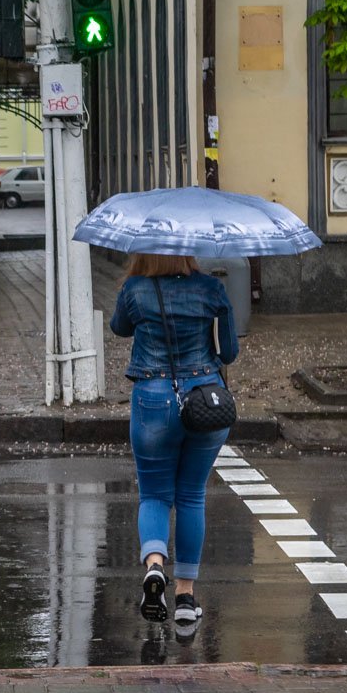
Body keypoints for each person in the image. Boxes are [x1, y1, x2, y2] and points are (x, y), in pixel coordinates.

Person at [109, 253, 238, 633]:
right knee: (192, 495)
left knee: (154, 494)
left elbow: (119, 327)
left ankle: (154, 567)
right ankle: (185, 597)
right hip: (204, 399)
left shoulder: (135, 289)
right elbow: (229, 352)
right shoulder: (211, 288)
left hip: (152, 399)